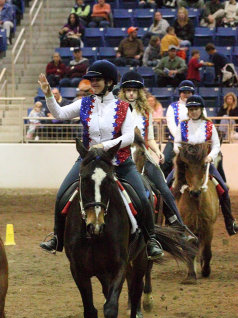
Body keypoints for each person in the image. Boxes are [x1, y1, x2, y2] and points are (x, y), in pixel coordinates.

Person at [39, 60, 163, 260]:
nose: (93, 83)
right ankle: (57, 238)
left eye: (98, 79)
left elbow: (129, 137)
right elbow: (60, 114)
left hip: (119, 162)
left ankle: (151, 240)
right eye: (92, 79)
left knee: (142, 198)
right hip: (88, 161)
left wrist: (103, 146)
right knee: (62, 195)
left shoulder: (123, 107)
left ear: (110, 82)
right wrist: (48, 95)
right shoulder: (85, 103)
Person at [118, 71, 197, 242]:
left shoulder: (146, 112)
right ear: (123, 91)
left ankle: (178, 227)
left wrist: (158, 151)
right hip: (120, 154)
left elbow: (150, 139)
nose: (131, 93)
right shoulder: (116, 110)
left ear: (139, 92)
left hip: (142, 154)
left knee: (162, 187)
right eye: (128, 90)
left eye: (134, 90)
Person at [174, 95, 238, 236]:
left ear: (201, 110)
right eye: (191, 109)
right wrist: (183, 155)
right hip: (186, 165)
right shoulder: (182, 125)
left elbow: (216, 145)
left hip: (204, 164)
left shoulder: (209, 126)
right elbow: (176, 144)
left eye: (196, 109)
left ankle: (230, 222)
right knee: (167, 185)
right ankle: (169, 222)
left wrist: (210, 157)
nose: (194, 111)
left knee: (223, 189)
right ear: (188, 110)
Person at [162, 80, 196, 177]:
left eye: (188, 92)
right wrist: (180, 138)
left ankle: (221, 187)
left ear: (192, 93)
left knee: (211, 163)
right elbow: (171, 124)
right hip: (174, 141)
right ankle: (162, 188)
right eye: (184, 92)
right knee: (164, 162)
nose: (186, 95)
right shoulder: (172, 107)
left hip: (194, 142)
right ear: (180, 93)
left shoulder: (199, 107)